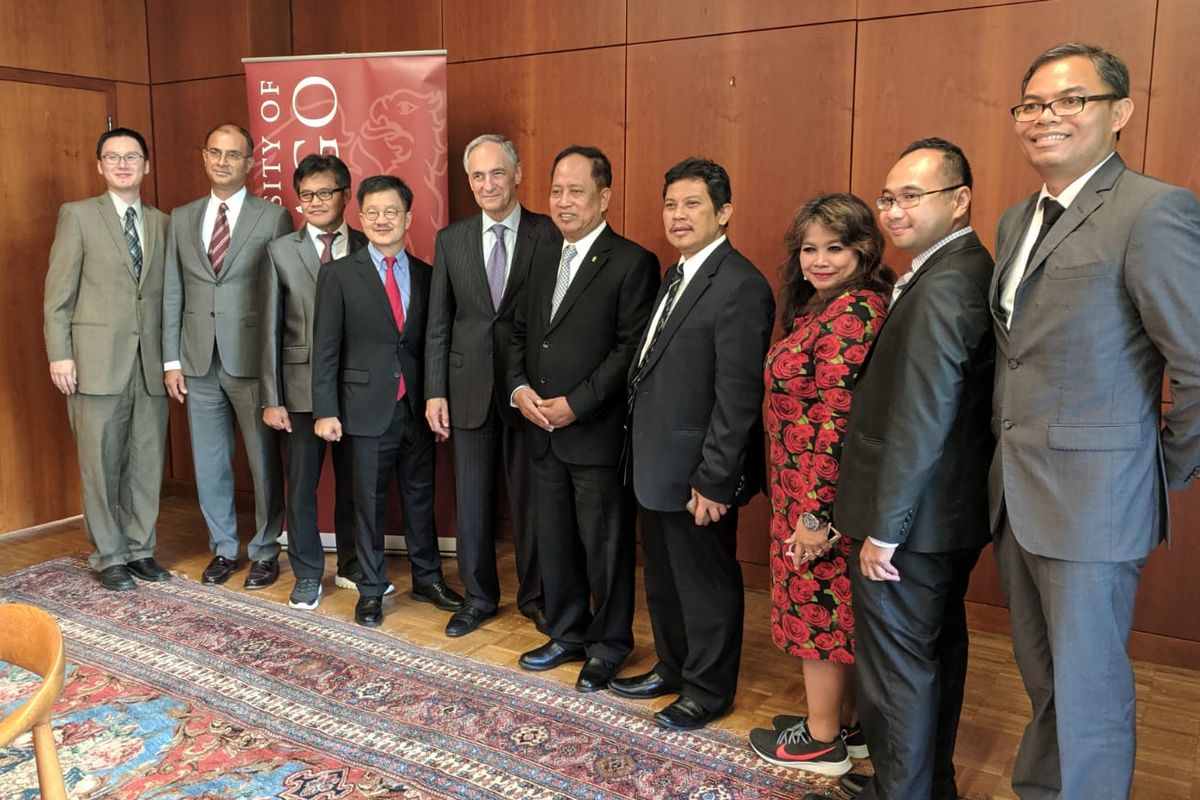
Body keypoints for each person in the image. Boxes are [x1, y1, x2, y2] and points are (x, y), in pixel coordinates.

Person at [989, 43, 1200, 799]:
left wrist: (1157, 467)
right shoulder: (1018, 220)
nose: (1047, 117)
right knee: (1045, 679)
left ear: (1121, 112)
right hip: (1017, 494)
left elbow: (1198, 360)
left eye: (1070, 100)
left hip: (1094, 502)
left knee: (1090, 690)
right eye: (1033, 104)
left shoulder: (1153, 210)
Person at [818, 139, 995, 799]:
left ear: (960, 199)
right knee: (931, 659)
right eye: (888, 197)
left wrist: (885, 531)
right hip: (940, 519)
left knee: (897, 675)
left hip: (910, 528)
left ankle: (905, 790)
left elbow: (924, 415)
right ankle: (925, 784)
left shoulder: (948, 283)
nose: (892, 210)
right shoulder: (955, 266)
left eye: (911, 196)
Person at [612, 157, 774, 731]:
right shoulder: (676, 274)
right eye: (670, 205)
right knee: (661, 578)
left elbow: (738, 399)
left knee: (705, 585)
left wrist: (714, 478)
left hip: (697, 474)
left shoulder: (740, 285)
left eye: (692, 205)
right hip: (655, 465)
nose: (677, 217)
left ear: (724, 212)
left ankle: (708, 690)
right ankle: (673, 666)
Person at [744, 193, 890, 770]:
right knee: (831, 611)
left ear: (864, 250)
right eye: (810, 248)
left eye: (835, 247)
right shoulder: (823, 307)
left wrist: (813, 517)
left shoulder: (855, 313)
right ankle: (845, 726)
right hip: (802, 491)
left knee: (817, 612)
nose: (819, 260)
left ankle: (822, 737)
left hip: (818, 499)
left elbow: (837, 423)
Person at [508, 146, 659, 692]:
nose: (563, 201)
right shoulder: (543, 253)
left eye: (576, 191)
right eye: (556, 191)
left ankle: (609, 644)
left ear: (604, 197)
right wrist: (519, 389)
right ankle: (567, 632)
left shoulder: (632, 261)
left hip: (592, 431)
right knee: (555, 540)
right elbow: (521, 332)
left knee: (605, 547)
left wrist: (577, 403)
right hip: (541, 429)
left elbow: (628, 350)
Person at [311, 174, 465, 628]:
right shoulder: (338, 274)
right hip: (361, 409)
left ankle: (427, 577)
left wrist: (438, 398)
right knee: (368, 503)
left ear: (408, 217)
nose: (381, 220)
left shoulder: (427, 274)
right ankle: (372, 589)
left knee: (421, 497)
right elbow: (325, 348)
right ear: (361, 217)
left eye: (391, 212)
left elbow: (433, 343)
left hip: (415, 407)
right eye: (373, 212)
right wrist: (325, 410)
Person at [425, 134, 556, 637]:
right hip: (468, 388)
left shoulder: (547, 234)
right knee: (473, 502)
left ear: (517, 174)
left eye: (496, 173)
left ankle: (537, 597)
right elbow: (440, 322)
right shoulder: (451, 238)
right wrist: (435, 390)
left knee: (533, 502)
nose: (487, 184)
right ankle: (478, 597)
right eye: (477, 176)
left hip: (530, 391)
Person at [162, 122, 292, 589]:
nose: (223, 161)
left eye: (233, 154)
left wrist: (276, 367)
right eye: (215, 152)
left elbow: (282, 295)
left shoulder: (272, 217)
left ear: (249, 163)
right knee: (210, 461)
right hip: (197, 360)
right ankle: (222, 547)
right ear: (204, 156)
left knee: (263, 462)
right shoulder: (181, 216)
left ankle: (264, 550)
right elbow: (172, 291)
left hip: (252, 361)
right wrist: (170, 361)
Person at [43, 127, 171, 591]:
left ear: (146, 166)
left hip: (150, 364)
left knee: (146, 460)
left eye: (132, 157)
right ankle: (109, 555)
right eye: (112, 157)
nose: (122, 164)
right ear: (99, 166)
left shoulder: (162, 222)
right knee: (99, 462)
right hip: (93, 362)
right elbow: (58, 294)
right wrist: (60, 354)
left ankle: (140, 549)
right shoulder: (77, 216)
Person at [260, 153, 370, 610]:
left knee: (355, 482)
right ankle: (307, 573)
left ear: (345, 195)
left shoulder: (368, 245)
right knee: (301, 485)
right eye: (306, 195)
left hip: (358, 388)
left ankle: (351, 565)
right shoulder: (280, 251)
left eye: (326, 192)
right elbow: (267, 327)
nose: (316, 202)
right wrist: (272, 397)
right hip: (300, 390)